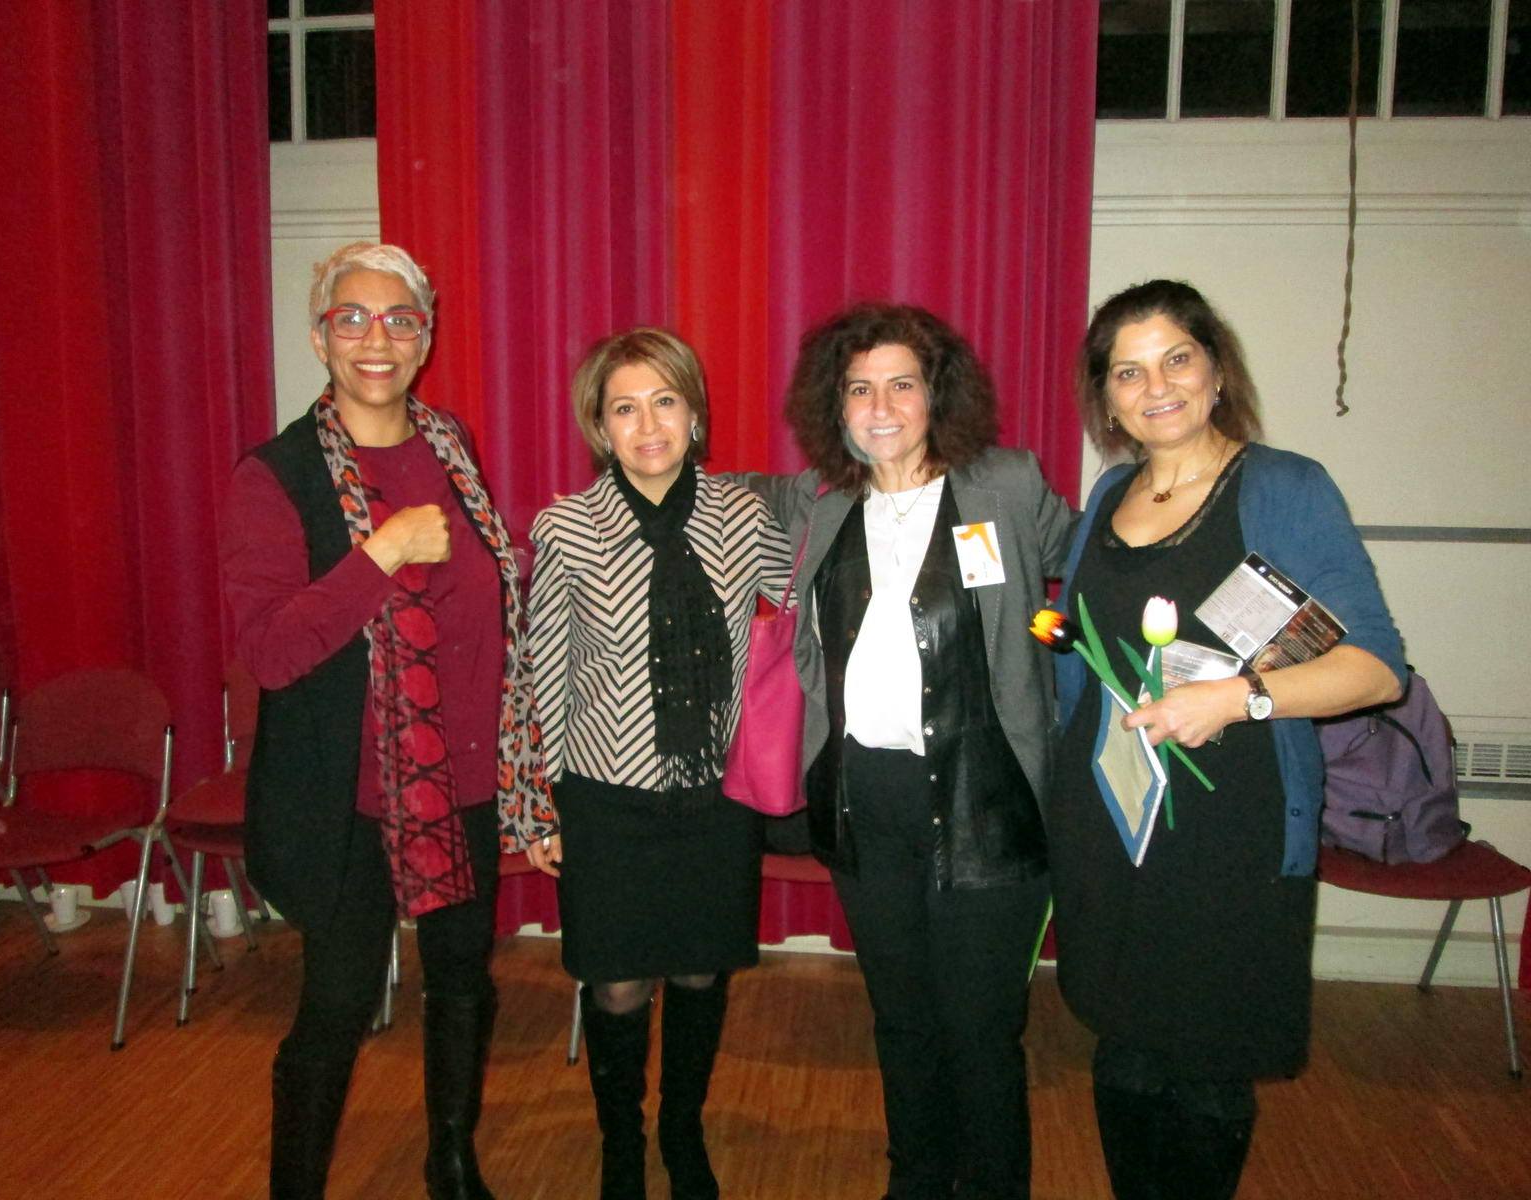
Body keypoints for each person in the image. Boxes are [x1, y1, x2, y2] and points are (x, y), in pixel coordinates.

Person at [1049, 279, 1405, 1199]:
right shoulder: (1110, 493)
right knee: (1126, 1044)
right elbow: (1084, 663)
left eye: (1177, 359)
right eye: (1128, 372)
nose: (1156, 386)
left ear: (1215, 372)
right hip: (1116, 819)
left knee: (1205, 1061)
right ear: (1106, 398)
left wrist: (1237, 698)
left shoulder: (1283, 488)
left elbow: (1376, 669)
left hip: (1229, 835)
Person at [222, 242, 551, 1200]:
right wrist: (381, 552)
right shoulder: (276, 476)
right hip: (351, 796)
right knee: (336, 1007)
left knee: (462, 980)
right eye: (353, 318)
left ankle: (451, 1159)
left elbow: (483, 597)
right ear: (320, 336)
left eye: (401, 319)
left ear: (426, 337)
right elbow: (273, 651)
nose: (378, 339)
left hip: (466, 779)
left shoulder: (450, 446)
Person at [740, 302, 1075, 1200]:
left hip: (986, 796)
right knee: (900, 1019)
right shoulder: (819, 500)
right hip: (867, 798)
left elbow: (1106, 555)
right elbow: (703, 497)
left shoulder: (1004, 485)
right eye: (860, 389)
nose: (881, 408)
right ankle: (916, 1182)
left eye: (902, 385)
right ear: (834, 405)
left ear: (938, 395)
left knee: (980, 1030)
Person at [520, 327, 789, 1200]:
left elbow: (802, 601)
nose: (648, 426)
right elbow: (540, 671)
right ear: (599, 426)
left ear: (694, 412)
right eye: (625, 408)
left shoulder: (743, 518)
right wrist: (537, 803)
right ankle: (622, 1144)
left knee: (701, 969)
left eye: (664, 402)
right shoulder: (567, 528)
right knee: (619, 984)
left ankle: (682, 1128)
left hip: (717, 795)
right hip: (606, 797)